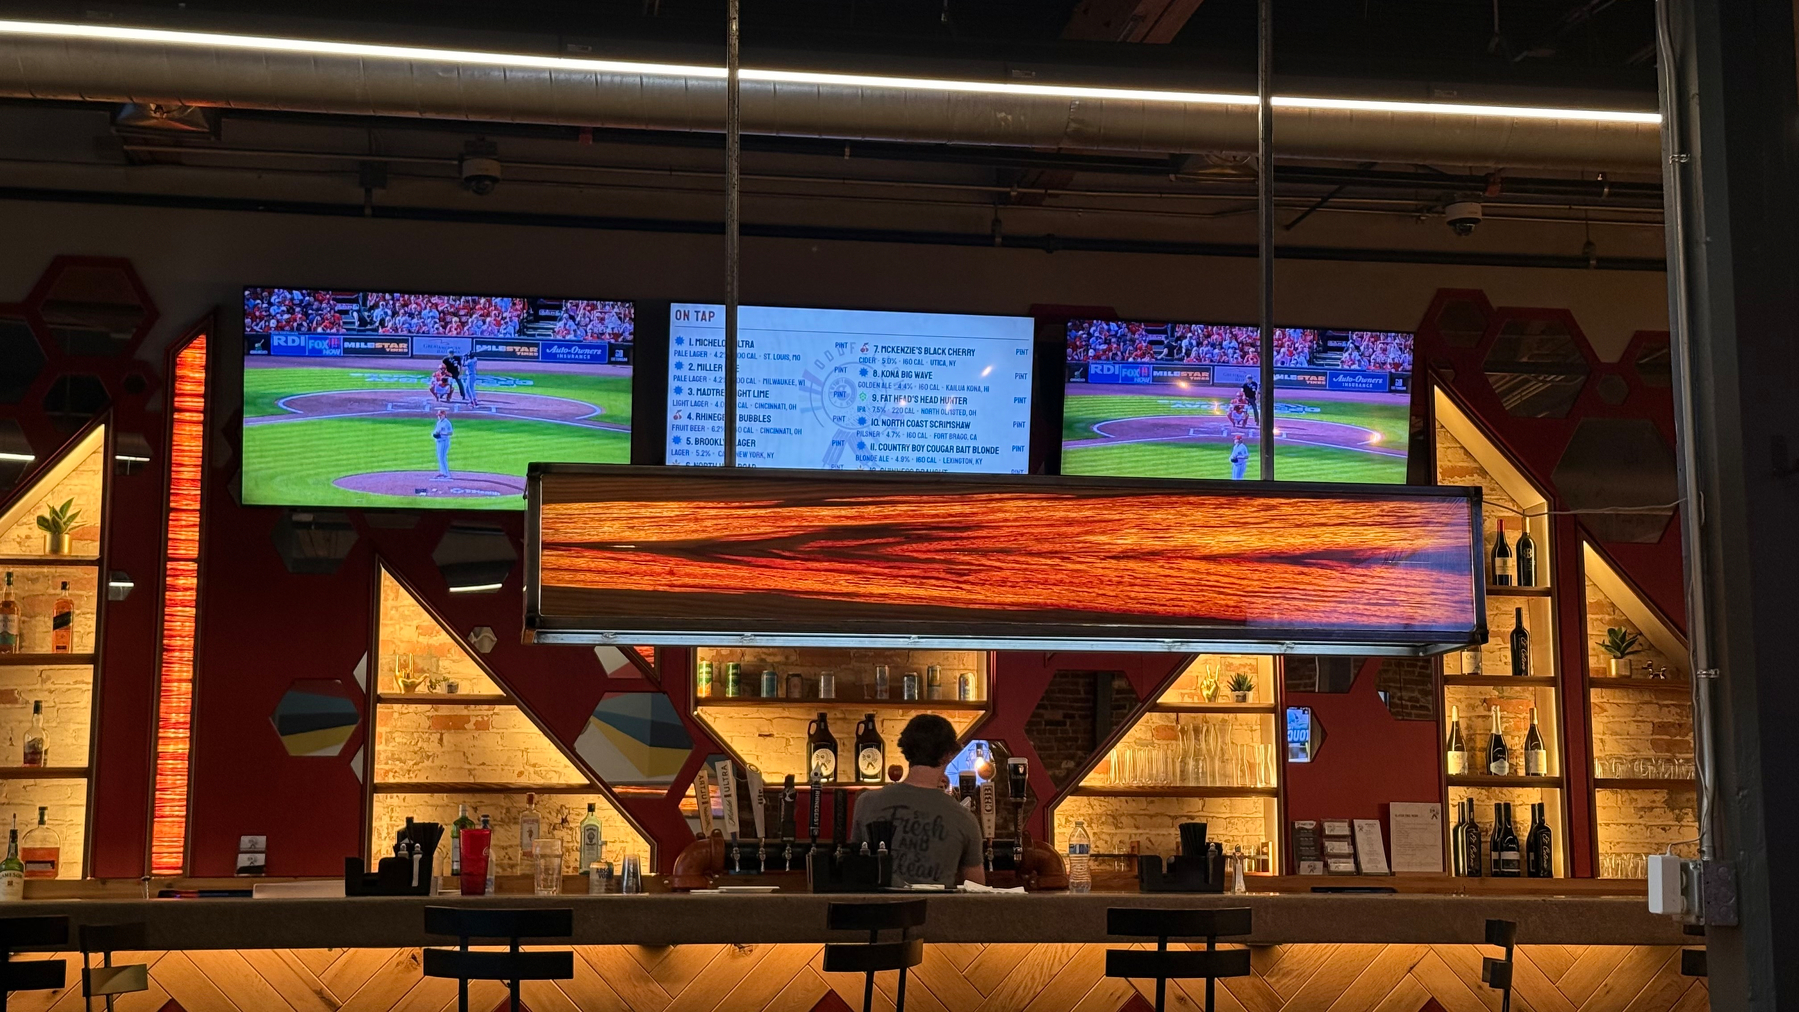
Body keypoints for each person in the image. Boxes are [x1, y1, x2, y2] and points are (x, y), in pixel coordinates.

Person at [849, 715, 986, 888]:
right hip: (938, 913)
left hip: (877, 912)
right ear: (948, 755)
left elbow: (853, 871)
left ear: (906, 751)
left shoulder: (866, 802)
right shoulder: (965, 819)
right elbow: (978, 894)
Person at [432, 409, 453, 480]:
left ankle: (447, 474)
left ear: (444, 415)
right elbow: (436, 431)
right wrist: (435, 434)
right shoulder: (439, 422)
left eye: (440, 415)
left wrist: (441, 433)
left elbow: (450, 433)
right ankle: (442, 472)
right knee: (439, 457)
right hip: (439, 441)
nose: (439, 417)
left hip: (444, 441)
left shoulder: (447, 423)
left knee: (442, 457)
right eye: (438, 415)